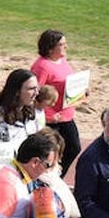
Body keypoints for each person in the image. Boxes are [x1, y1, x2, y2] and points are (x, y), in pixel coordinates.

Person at [30, 30, 81, 175]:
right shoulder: (41, 67)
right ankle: (48, 177)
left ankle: (57, 177)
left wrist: (81, 93)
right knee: (50, 152)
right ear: (50, 47)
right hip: (52, 119)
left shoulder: (62, 61)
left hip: (66, 114)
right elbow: (34, 94)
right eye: (62, 44)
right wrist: (47, 116)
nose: (66, 47)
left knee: (73, 147)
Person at [0, 69, 42, 146]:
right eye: (31, 89)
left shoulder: (34, 113)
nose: (36, 93)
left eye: (37, 88)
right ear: (17, 91)